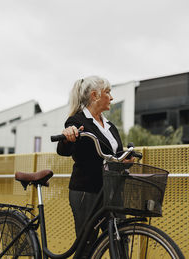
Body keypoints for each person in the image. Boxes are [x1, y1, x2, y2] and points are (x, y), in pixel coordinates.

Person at [56, 76, 134, 258]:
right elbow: (64, 150)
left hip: (112, 191)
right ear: (95, 95)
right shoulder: (76, 122)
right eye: (108, 92)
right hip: (87, 192)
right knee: (87, 247)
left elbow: (114, 155)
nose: (111, 97)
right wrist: (68, 135)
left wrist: (124, 160)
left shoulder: (110, 126)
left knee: (121, 238)